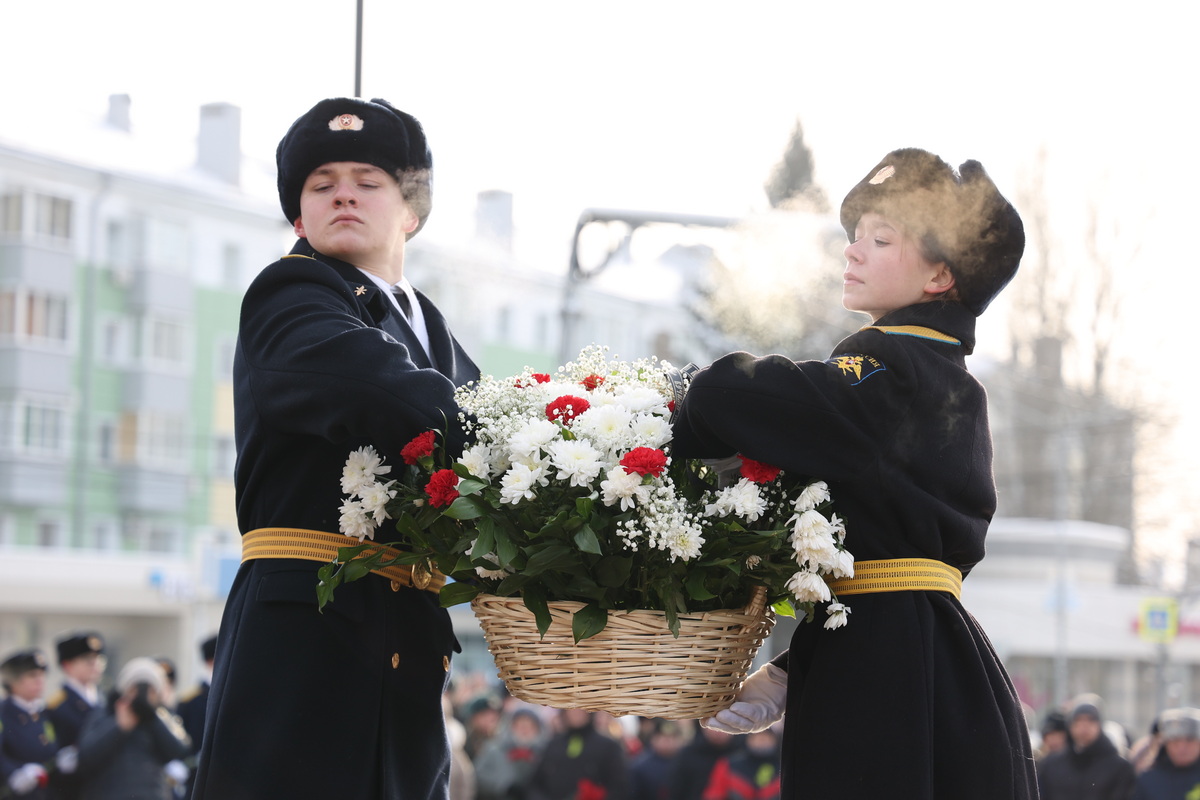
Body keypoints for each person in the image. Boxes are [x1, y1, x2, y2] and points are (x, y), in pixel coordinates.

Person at [672, 148, 1035, 799]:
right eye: (856, 236)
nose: (853, 250)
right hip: (933, 661)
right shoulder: (952, 382)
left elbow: (738, 396)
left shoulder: (890, 369)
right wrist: (794, 668)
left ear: (940, 276)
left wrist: (682, 399)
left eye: (881, 239)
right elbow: (894, 565)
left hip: (883, 677)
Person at [190, 96, 480, 800]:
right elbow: (383, 395)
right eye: (321, 185)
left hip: (404, 639)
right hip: (307, 639)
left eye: (367, 181)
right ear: (299, 219)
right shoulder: (293, 291)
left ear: (411, 211)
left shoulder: (428, 324)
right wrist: (523, 447)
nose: (343, 194)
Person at [76, 657, 191, 800]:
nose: (141, 696)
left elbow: (180, 749)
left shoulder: (162, 716)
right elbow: (86, 755)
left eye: (150, 690)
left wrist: (152, 716)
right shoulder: (106, 713)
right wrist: (119, 727)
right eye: (135, 689)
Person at [46, 632, 107, 800]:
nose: (95, 664)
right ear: (67, 665)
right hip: (72, 789)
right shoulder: (56, 706)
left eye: (98, 659)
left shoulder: (104, 701)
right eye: (88, 660)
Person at [1037, 700, 1135, 800]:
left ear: (1099, 725)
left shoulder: (1119, 767)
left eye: (1090, 720)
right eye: (1078, 720)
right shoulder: (1052, 765)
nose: (1084, 726)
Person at [525, 709, 628, 800]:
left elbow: (619, 788)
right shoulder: (552, 745)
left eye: (581, 708)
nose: (576, 712)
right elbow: (535, 785)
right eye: (571, 707)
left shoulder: (608, 747)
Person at [0, 649, 59, 799]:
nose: (40, 680)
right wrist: (13, 772)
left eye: (41, 675)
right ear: (13, 681)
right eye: (32, 675)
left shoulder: (43, 712)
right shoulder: (3, 713)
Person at [474, 707, 548, 800]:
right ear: (511, 726)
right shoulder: (494, 749)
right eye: (521, 726)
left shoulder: (544, 753)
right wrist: (504, 787)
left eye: (530, 727)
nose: (524, 731)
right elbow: (478, 776)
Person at [1133, 708, 1200, 800]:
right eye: (1175, 741)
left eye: (1189, 740)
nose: (1182, 748)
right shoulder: (1148, 781)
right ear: (1166, 744)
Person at [667, 726, 742, 800]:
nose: (719, 731)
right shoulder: (689, 755)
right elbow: (676, 790)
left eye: (724, 726)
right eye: (714, 726)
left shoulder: (742, 754)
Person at [628, 719, 686, 800]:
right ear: (653, 739)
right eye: (663, 738)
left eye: (672, 737)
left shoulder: (687, 764)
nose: (668, 742)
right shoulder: (640, 766)